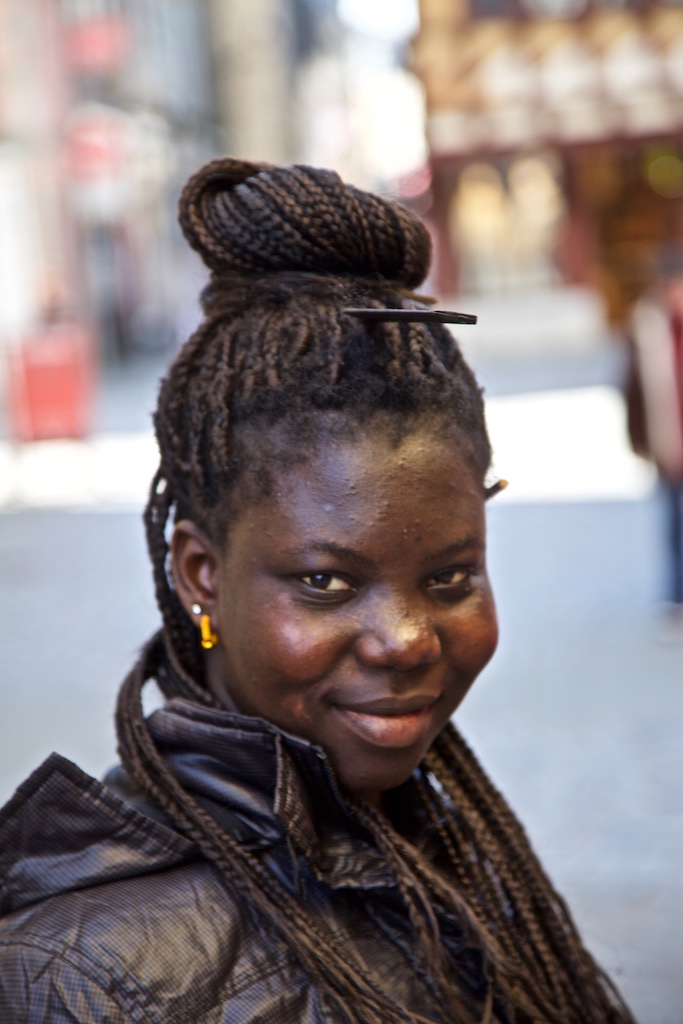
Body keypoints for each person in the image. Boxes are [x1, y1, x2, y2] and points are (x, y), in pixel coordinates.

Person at [0, 158, 636, 1024]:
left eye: (450, 578)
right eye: (326, 582)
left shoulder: (428, 840)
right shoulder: (75, 975)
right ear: (202, 576)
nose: (406, 639)